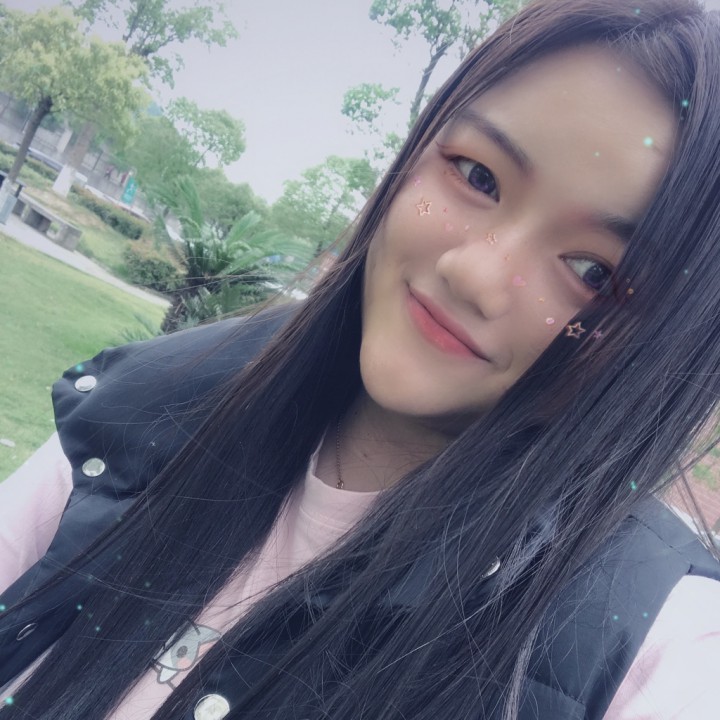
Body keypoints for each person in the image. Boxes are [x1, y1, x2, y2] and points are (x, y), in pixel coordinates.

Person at [1, 0, 719, 718]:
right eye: (477, 176)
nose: (474, 273)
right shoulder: (153, 405)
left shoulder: (657, 652)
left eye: (594, 273)